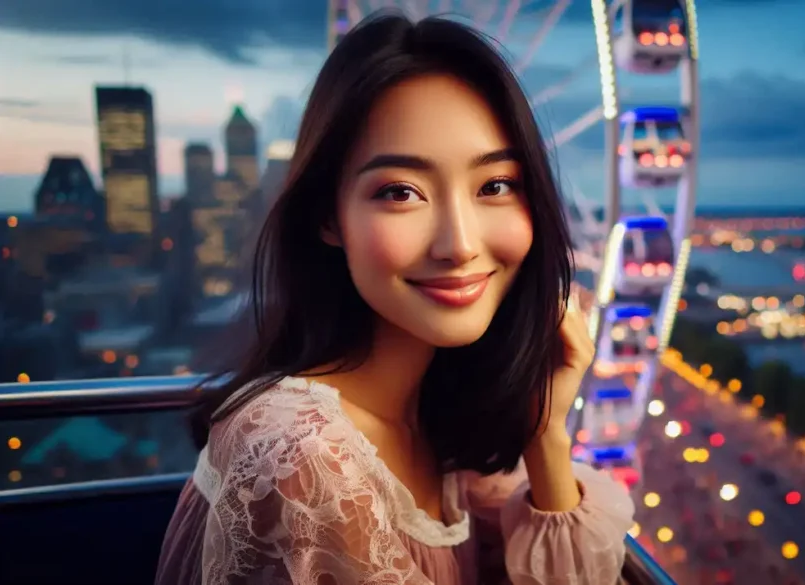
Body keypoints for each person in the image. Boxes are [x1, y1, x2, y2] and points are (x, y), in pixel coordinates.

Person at [155, 12, 635, 585]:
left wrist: (544, 432)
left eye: (495, 186)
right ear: (328, 218)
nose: (459, 245)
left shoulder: (438, 421)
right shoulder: (304, 454)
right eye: (400, 192)